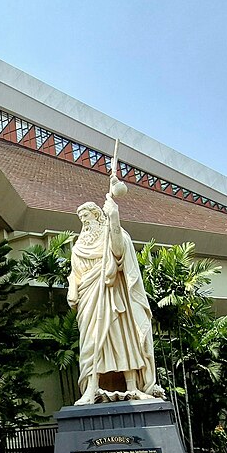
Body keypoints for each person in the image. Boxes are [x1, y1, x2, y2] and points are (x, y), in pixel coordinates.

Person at [66, 171, 163, 405]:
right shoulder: (79, 245)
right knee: (91, 342)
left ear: (97, 215)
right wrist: (72, 288)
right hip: (89, 297)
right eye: (80, 217)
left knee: (122, 338)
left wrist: (115, 218)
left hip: (112, 294)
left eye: (86, 215)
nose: (83, 221)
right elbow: (75, 272)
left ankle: (132, 387)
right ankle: (91, 388)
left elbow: (119, 253)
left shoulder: (111, 234)